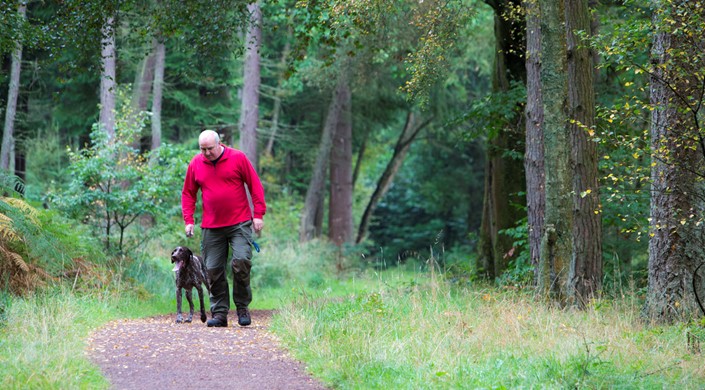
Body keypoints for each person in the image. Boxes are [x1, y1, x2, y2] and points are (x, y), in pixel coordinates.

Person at [181, 130, 266, 327]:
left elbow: (255, 185)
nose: (207, 153)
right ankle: (219, 313)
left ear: (219, 144)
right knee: (212, 269)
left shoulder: (238, 158)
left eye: (210, 148)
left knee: (241, 261)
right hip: (211, 226)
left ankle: (242, 307)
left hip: (239, 223)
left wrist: (259, 214)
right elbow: (188, 193)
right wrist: (189, 220)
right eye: (203, 149)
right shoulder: (196, 163)